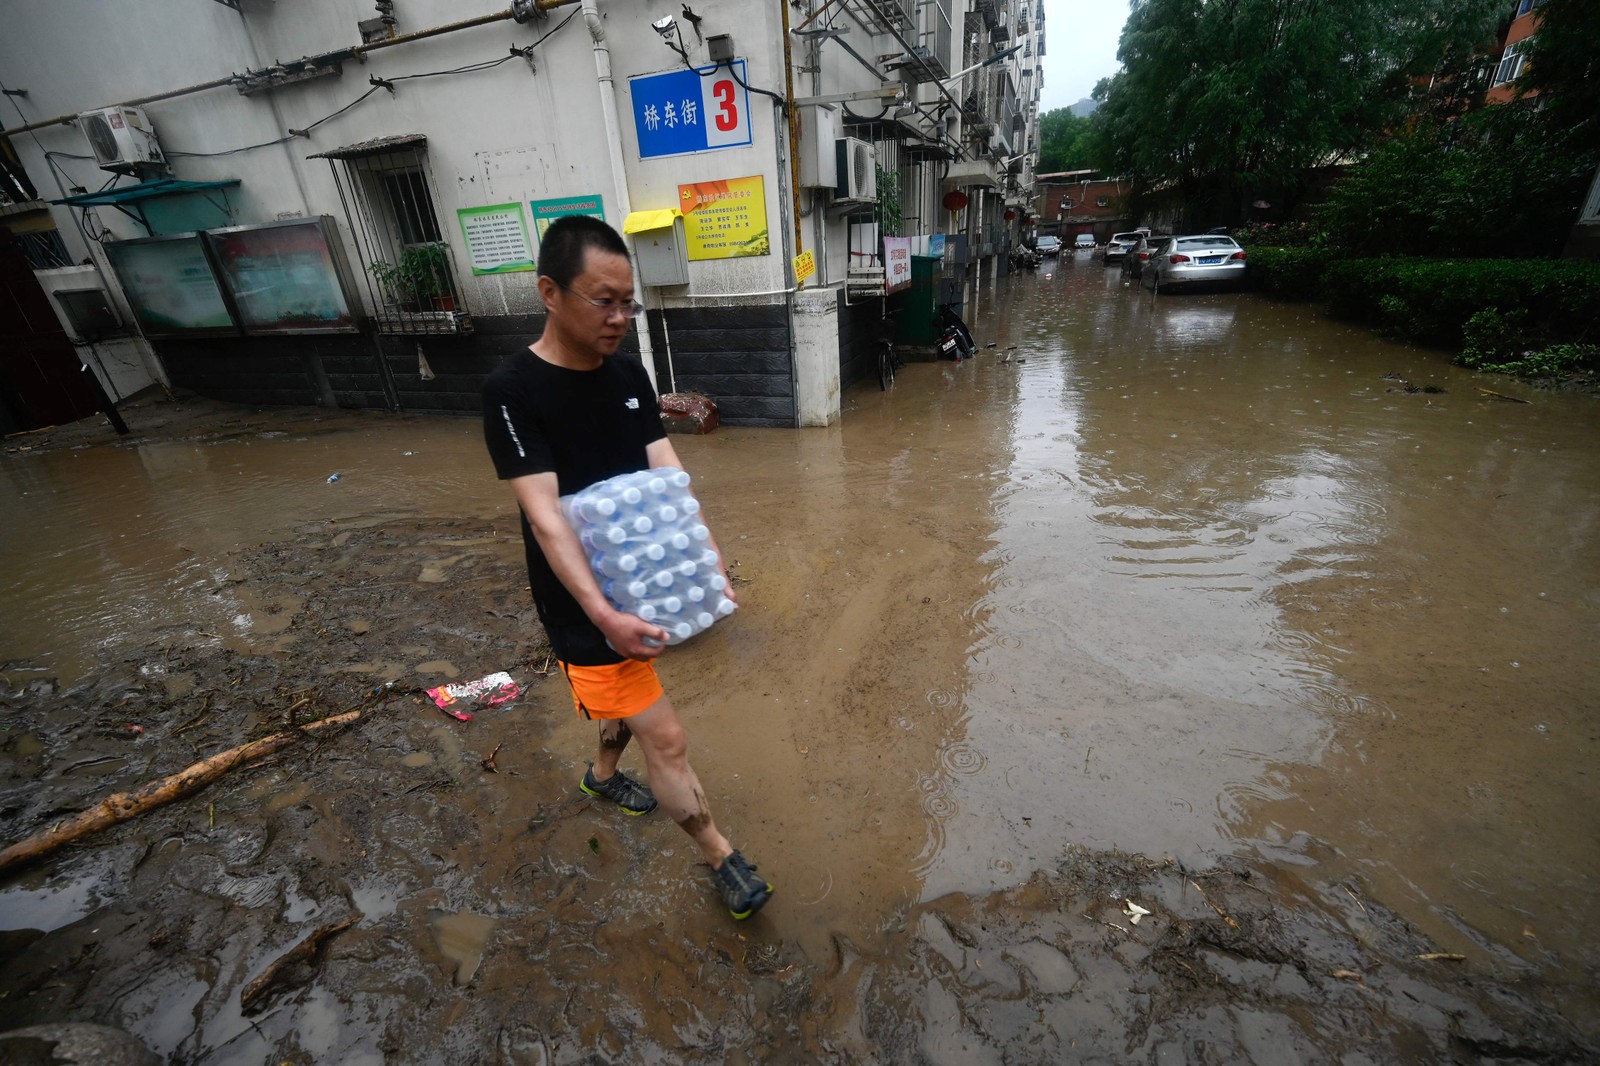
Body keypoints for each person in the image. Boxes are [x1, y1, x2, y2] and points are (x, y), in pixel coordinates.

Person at [480, 215, 773, 920]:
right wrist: (604, 614)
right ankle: (720, 855)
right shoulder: (513, 390)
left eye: (627, 302)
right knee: (665, 735)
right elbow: (546, 517)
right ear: (550, 292)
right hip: (585, 606)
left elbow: (666, 471)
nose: (618, 317)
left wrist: (707, 568)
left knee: (626, 705)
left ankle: (602, 774)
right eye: (601, 299)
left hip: (656, 575)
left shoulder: (629, 372)